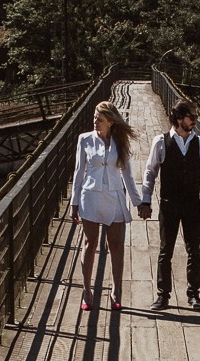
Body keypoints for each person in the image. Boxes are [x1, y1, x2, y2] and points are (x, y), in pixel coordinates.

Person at [70, 101, 145, 311]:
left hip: (114, 196)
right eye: (94, 117)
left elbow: (128, 175)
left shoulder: (119, 142)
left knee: (116, 245)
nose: (95, 122)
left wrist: (138, 202)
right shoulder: (84, 140)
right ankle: (87, 290)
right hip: (90, 196)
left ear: (111, 122)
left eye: (100, 119)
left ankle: (116, 290)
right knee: (90, 243)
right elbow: (78, 172)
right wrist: (73, 203)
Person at [140, 99, 200, 311]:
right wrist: (146, 200)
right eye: (193, 117)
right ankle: (163, 295)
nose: (196, 121)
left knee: (194, 251)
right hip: (168, 203)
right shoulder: (160, 142)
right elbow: (150, 172)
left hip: (191, 203)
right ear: (180, 118)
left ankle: (194, 295)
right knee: (166, 251)